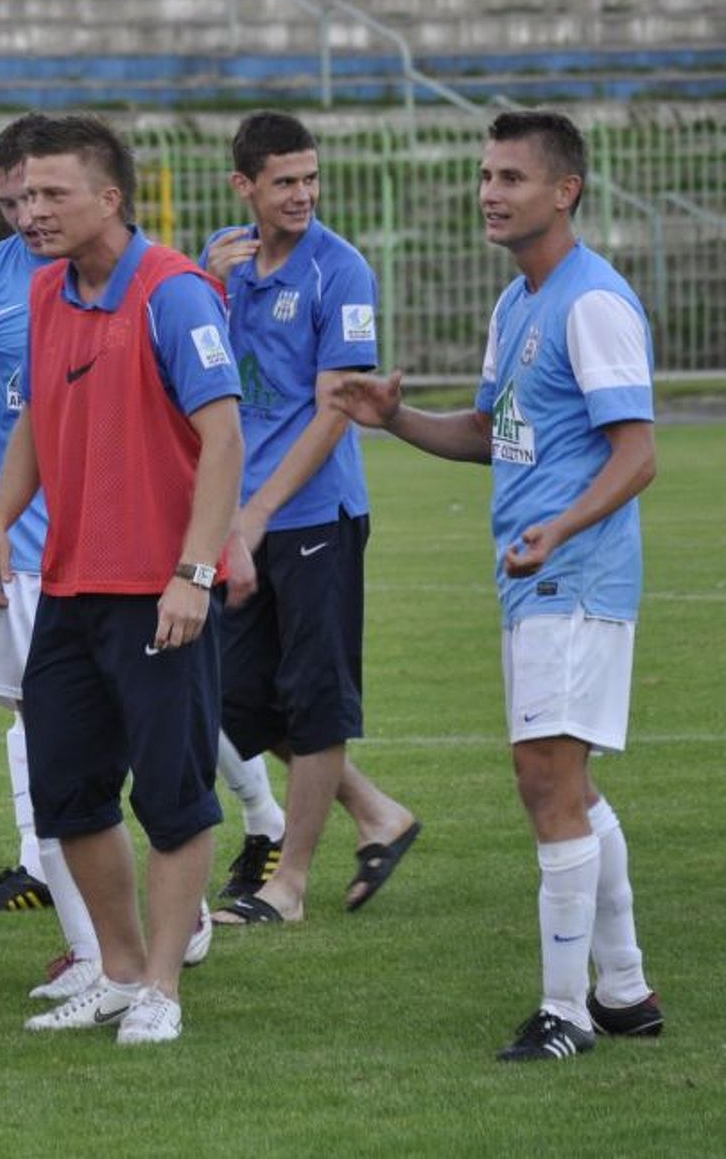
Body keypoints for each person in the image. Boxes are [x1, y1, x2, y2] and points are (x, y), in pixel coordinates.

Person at [331, 110, 662, 1061]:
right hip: (536, 577)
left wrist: (558, 526)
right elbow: (491, 434)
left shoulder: (592, 302)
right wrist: (396, 420)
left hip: (576, 576)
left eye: (511, 176)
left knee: (544, 781)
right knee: (568, 782)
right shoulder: (520, 302)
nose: (489, 191)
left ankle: (566, 1012)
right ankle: (626, 988)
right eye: (485, 174)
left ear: (565, 191)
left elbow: (637, 454)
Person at [0, 115, 245, 1045]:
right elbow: (37, 425)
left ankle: (164, 984)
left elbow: (223, 439)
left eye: (53, 195)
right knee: (68, 793)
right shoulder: (47, 294)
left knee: (171, 796)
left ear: (109, 198)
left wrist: (193, 573)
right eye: (23, 196)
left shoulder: (176, 292)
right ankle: (121, 971)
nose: (31, 211)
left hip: (158, 589)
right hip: (69, 586)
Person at [199, 111, 420, 928]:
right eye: (285, 181)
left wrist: (255, 512)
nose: (302, 195)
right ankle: (378, 814)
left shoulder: (342, 270)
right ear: (244, 186)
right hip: (239, 516)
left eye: (310, 178)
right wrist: (205, 285)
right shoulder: (219, 261)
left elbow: (338, 409)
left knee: (314, 696)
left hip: (314, 513)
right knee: (231, 700)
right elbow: (192, 369)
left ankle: (287, 884)